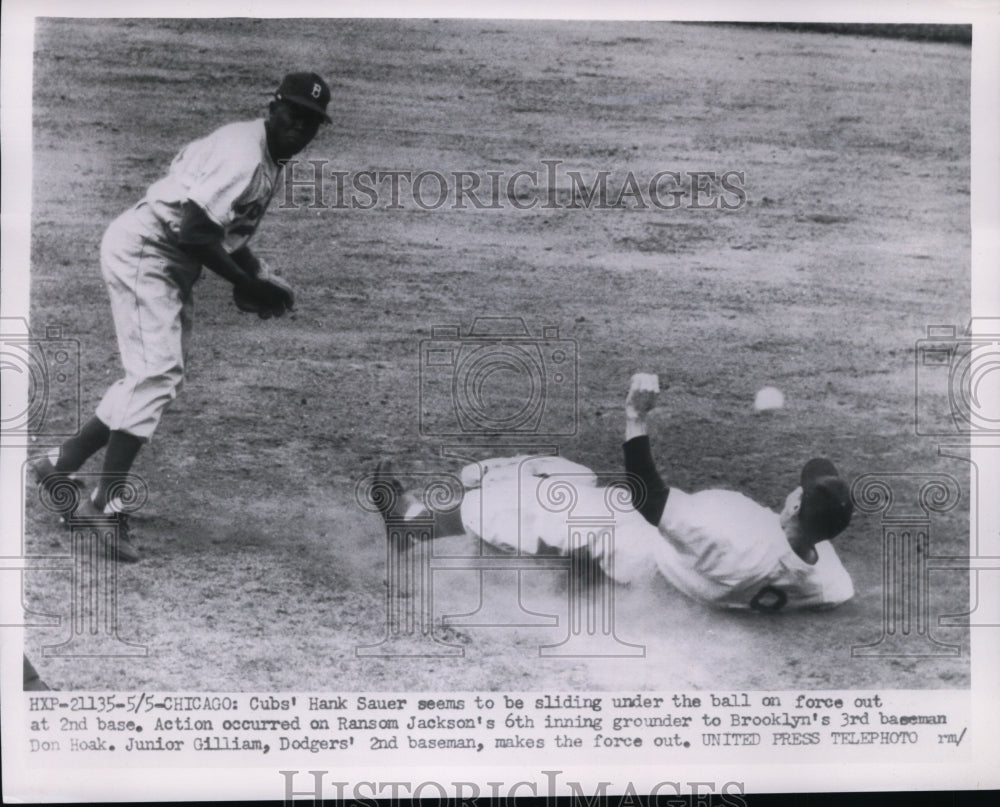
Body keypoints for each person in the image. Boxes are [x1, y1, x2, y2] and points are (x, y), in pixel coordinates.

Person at [31, 72, 332, 562]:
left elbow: (221, 227)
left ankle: (58, 466)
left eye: (312, 122)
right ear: (273, 107)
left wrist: (254, 269)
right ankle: (104, 506)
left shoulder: (265, 154)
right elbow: (194, 230)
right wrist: (243, 282)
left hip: (164, 256)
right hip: (147, 252)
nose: (300, 127)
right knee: (155, 374)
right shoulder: (243, 153)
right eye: (293, 113)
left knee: (155, 378)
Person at [375, 373, 855, 611]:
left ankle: (412, 526)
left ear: (795, 505)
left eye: (800, 489)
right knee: (570, 476)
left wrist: (636, 418)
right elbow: (834, 586)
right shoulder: (825, 578)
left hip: (634, 547)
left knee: (537, 503)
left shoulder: (733, 539)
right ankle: (570, 572)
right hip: (662, 569)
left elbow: (649, 499)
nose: (794, 489)